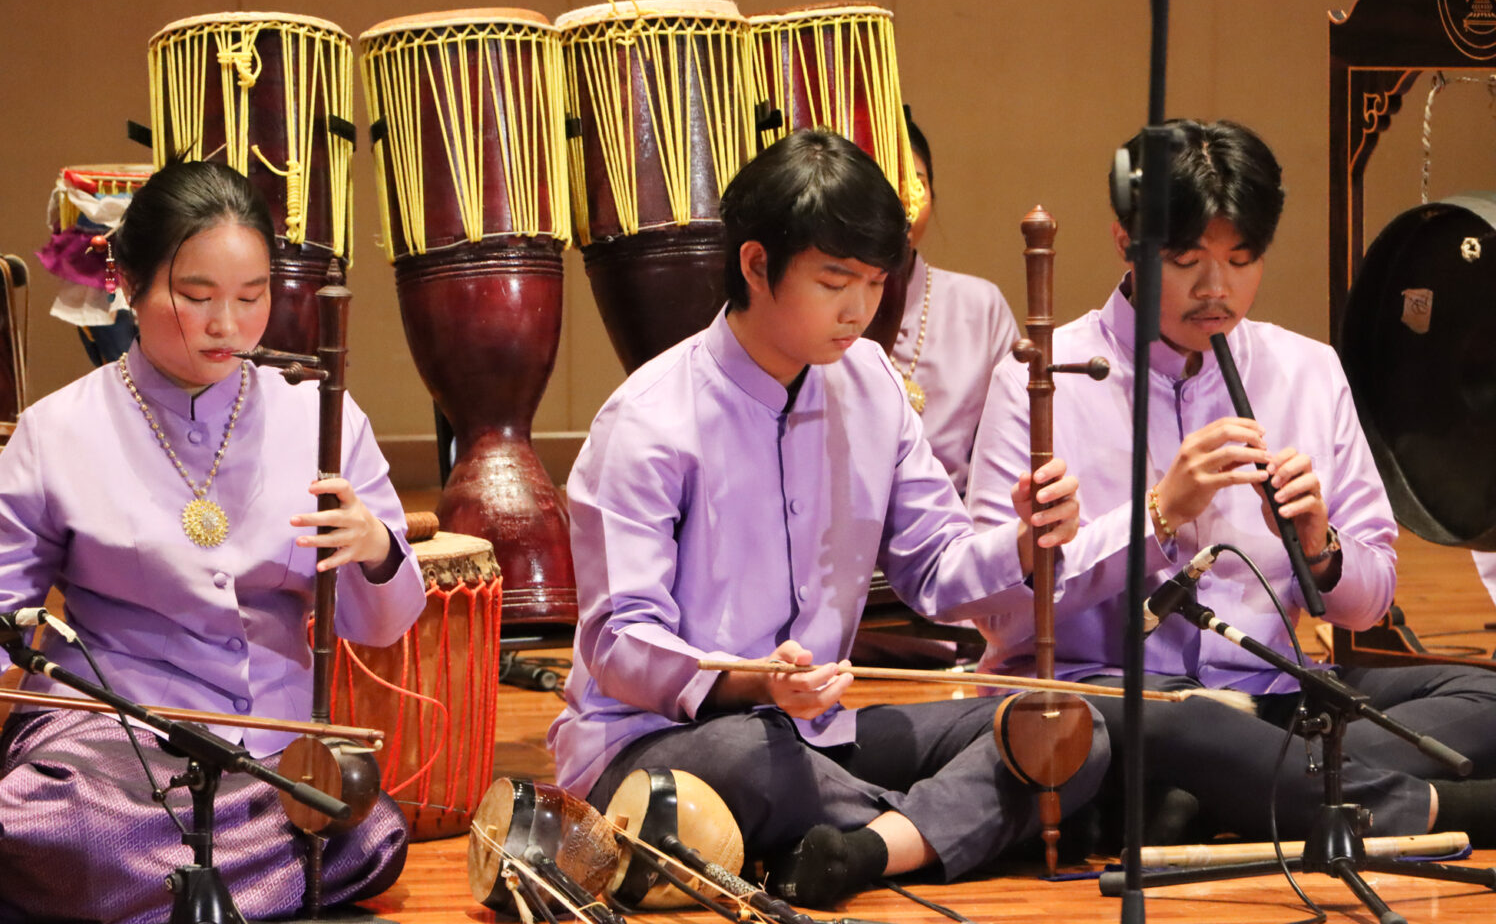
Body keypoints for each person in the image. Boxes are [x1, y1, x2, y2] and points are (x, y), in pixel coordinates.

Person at [548, 128, 1109, 910]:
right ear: (754, 264)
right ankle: (976, 825)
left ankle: (863, 852)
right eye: (835, 280)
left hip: (819, 736)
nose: (859, 310)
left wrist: (1020, 540)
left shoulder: (872, 386)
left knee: (1058, 723)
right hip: (661, 742)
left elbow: (935, 569)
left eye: (876, 283)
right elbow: (619, 642)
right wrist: (757, 682)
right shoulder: (646, 419)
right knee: (755, 760)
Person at [966, 118, 1496, 846]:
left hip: (1269, 698)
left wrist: (1321, 547)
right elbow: (996, 614)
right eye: (1186, 260)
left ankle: (1220, 800)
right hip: (1114, 700)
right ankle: (1415, 807)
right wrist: (1157, 516)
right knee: (1174, 724)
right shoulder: (1044, 380)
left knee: (1485, 693)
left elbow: (1369, 603)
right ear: (1127, 242)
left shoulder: (1306, 371)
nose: (1217, 289)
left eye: (1243, 260)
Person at [0, 160, 427, 923]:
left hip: (270, 740)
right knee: (52, 828)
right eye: (197, 296)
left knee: (367, 832)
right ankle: (205, 888)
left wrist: (376, 549)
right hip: (106, 740)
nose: (228, 326)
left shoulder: (321, 418)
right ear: (129, 283)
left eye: (252, 298)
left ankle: (155, 893)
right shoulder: (62, 428)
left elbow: (379, 629)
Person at [887, 118, 1019, 495]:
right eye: (883, 185)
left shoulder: (980, 307)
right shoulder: (823, 308)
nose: (902, 203)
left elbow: (1010, 454)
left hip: (960, 534)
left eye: (917, 183)